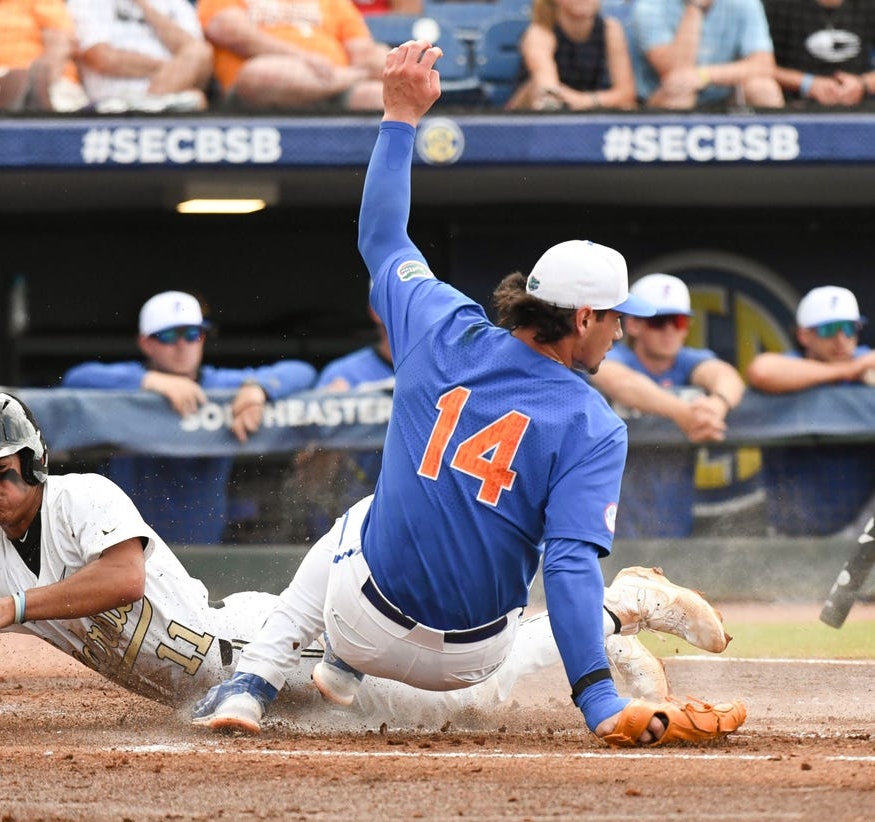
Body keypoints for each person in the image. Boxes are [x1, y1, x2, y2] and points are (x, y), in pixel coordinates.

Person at [192, 41, 746, 747]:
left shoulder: (440, 325)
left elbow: (382, 237)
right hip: (474, 657)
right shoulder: (594, 422)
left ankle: (252, 686)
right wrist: (601, 705)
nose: (621, 333)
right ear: (582, 318)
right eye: (614, 318)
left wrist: (398, 116)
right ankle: (624, 611)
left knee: (358, 515)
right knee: (516, 605)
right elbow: (570, 566)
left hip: (361, 624)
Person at [0, 391, 729, 732]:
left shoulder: (83, 498)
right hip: (213, 680)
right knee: (434, 714)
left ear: (32, 461)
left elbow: (123, 581)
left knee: (467, 704)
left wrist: (14, 617)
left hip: (255, 646)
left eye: (0, 466)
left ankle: (617, 605)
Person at [61, 290, 317, 544]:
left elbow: (302, 371)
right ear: (146, 343)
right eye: (169, 336)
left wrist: (259, 388)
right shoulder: (129, 381)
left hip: (203, 543)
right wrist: (151, 382)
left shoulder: (220, 383)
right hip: (129, 542)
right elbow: (76, 378)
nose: (183, 345)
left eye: (193, 334)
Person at [589, 273, 746, 537]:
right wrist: (684, 413)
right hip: (610, 517)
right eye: (659, 322)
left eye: (679, 321)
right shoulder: (611, 355)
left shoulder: (687, 361)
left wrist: (717, 406)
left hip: (673, 520)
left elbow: (726, 376)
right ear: (634, 325)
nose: (670, 331)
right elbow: (620, 382)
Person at [746, 285, 875, 536]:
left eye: (849, 328)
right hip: (793, 529)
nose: (841, 340)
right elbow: (761, 371)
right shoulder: (791, 364)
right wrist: (848, 371)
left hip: (862, 533)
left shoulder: (865, 359)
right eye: (829, 330)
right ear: (805, 336)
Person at [284, 305, 393, 542]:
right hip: (352, 521)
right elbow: (306, 481)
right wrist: (332, 422)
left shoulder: (444, 367)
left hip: (418, 512)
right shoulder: (343, 373)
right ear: (375, 310)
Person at [196, 0, 389, 111]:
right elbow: (228, 29)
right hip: (258, 93)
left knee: (381, 96)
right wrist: (303, 58)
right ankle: (350, 77)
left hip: (336, 90)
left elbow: (361, 47)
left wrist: (378, 59)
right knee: (260, 73)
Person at [66, 0, 214, 113]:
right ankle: (148, 106)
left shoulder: (176, 4)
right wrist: (176, 69)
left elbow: (200, 57)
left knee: (199, 56)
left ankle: (148, 106)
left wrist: (145, 6)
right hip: (113, 102)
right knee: (194, 95)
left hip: (172, 100)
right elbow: (102, 58)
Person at [631, 0, 784, 109]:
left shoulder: (744, 3)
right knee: (680, 93)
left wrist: (703, 75)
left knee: (764, 88)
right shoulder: (649, 6)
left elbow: (764, 65)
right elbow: (676, 73)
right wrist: (694, 7)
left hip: (724, 95)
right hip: (658, 102)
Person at [506, 0, 637, 111]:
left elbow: (626, 94)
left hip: (585, 106)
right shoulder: (539, 32)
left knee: (627, 107)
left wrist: (582, 100)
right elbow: (547, 87)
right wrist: (564, 98)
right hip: (527, 111)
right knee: (541, 94)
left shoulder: (611, 28)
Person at [764, 0, 875, 107]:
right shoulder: (778, 6)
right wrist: (807, 83)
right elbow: (761, 66)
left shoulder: (869, 5)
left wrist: (862, 84)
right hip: (794, 104)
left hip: (862, 104)